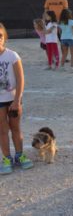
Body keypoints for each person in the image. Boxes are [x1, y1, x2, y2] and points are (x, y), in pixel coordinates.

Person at [0, 23, 33, 175]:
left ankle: (19, 155)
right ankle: (7, 158)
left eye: (0, 36)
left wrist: (17, 100)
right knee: (2, 130)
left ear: (4, 37)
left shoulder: (12, 56)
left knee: (15, 128)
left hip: (13, 100)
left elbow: (20, 80)